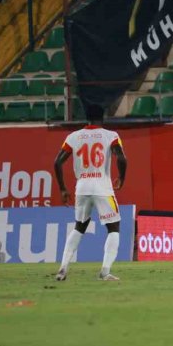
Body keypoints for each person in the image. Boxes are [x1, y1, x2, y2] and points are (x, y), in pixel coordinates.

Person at [53, 104, 127, 282]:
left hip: (82, 187)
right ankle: (105, 271)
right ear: (103, 118)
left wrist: (63, 188)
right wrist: (122, 178)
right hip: (102, 187)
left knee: (79, 226)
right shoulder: (111, 136)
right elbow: (122, 158)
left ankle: (63, 268)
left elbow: (57, 163)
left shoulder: (73, 136)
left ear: (86, 118)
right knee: (114, 227)